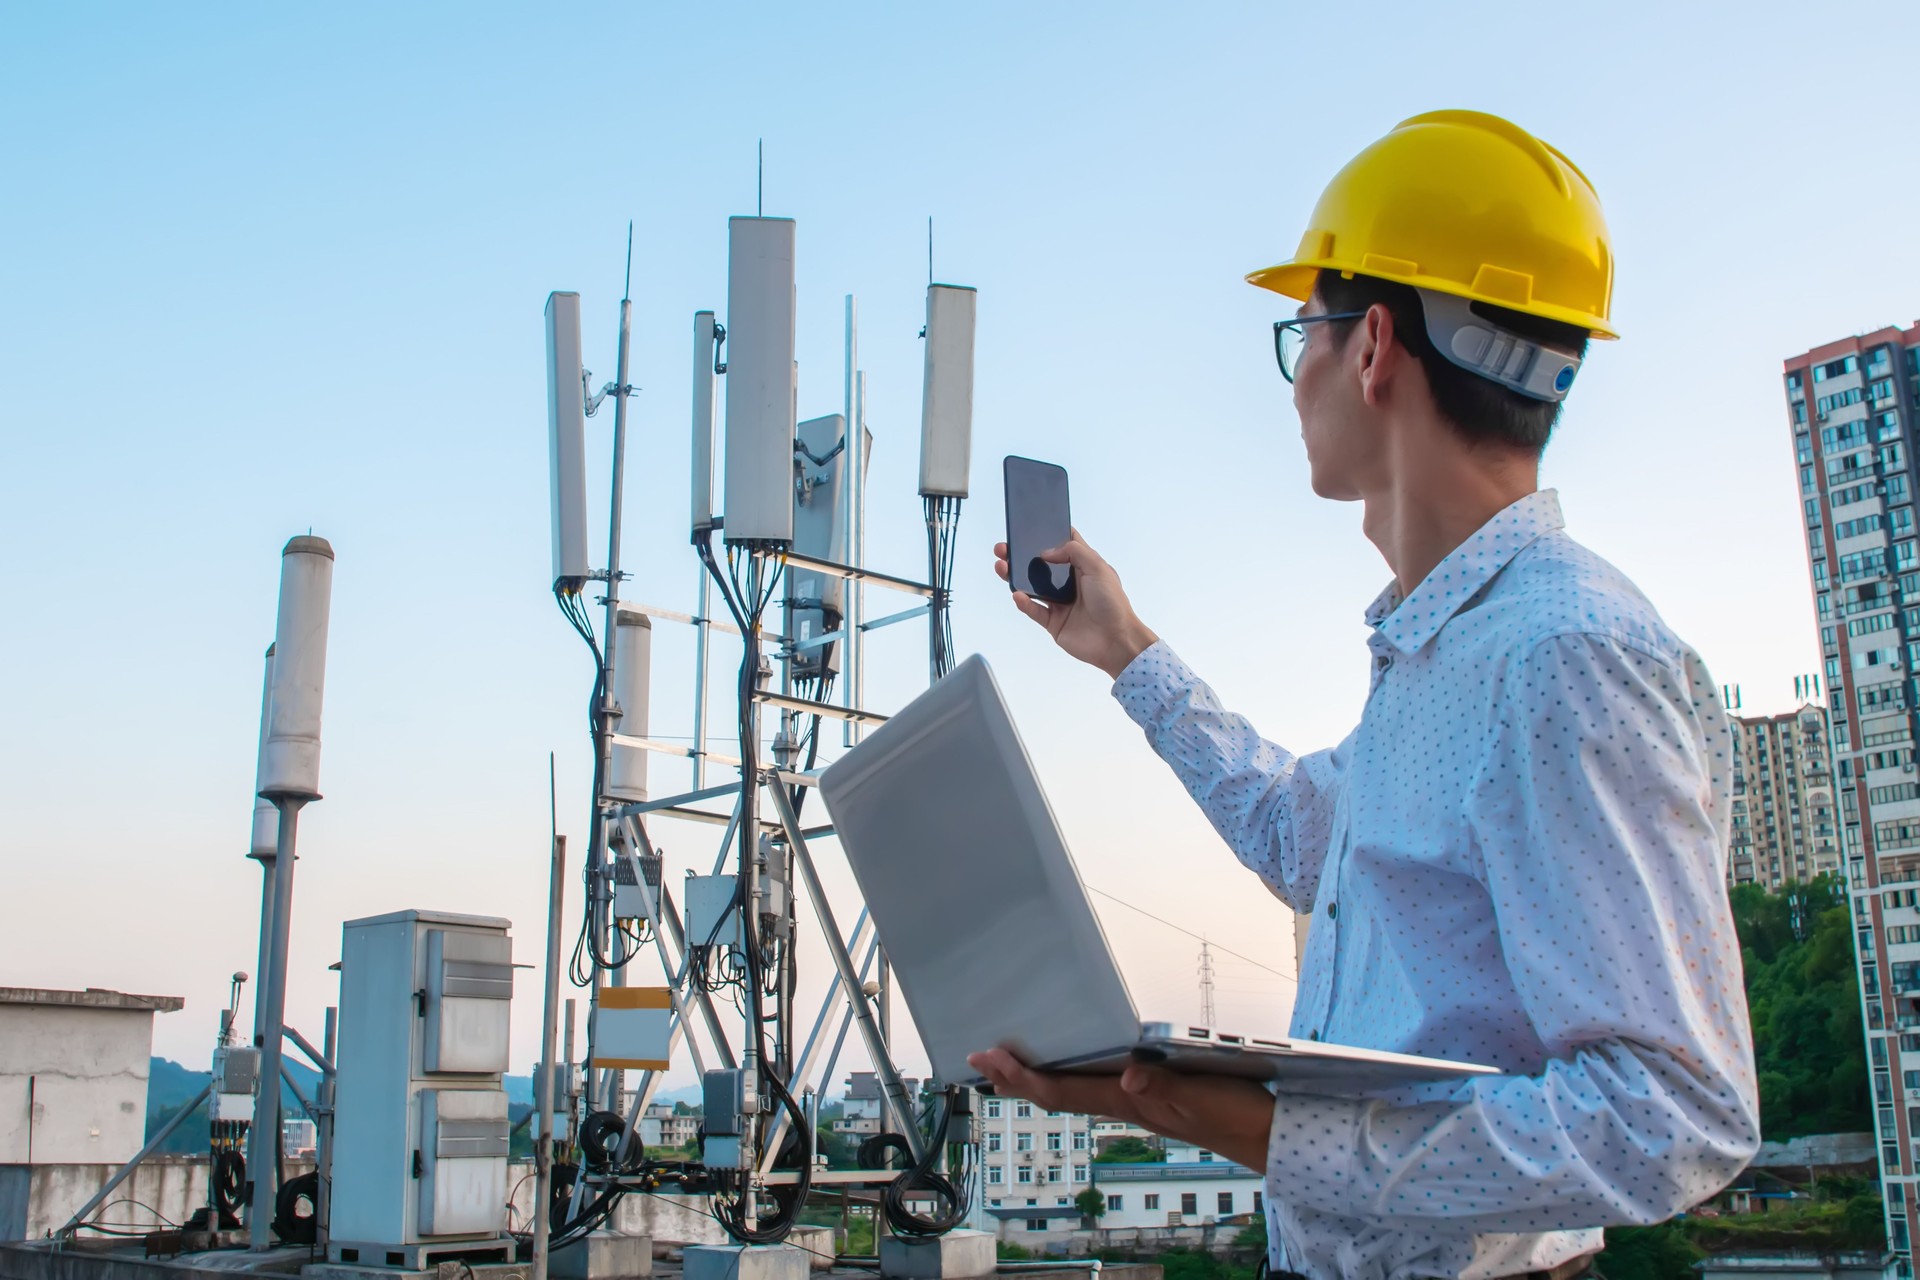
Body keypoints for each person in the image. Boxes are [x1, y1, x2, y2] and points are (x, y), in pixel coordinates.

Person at [970, 110, 1760, 1280]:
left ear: (1376, 342)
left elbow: (1676, 1111)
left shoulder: (1565, 654)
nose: (1298, 379)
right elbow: (1307, 836)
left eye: (1306, 332)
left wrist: (1264, 1130)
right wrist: (1126, 648)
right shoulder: (1446, 650)